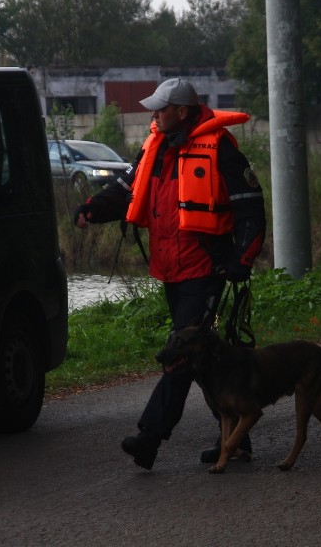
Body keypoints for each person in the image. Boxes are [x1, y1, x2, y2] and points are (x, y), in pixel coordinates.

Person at [73, 78, 266, 469]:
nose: (153, 114)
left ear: (182, 111)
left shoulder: (221, 149)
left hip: (203, 269)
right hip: (170, 271)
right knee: (201, 359)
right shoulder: (155, 146)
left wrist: (241, 260)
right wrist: (93, 208)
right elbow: (128, 188)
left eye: (160, 108)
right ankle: (237, 438)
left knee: (181, 354)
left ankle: (149, 438)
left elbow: (250, 208)